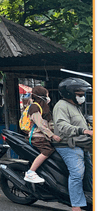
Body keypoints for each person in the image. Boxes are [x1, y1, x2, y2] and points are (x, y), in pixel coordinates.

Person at [53, 77, 93, 211]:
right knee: (77, 174)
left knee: (90, 174)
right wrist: (84, 130)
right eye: (80, 94)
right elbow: (62, 125)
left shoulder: (75, 106)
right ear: (70, 93)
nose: (82, 96)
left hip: (82, 145)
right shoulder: (61, 106)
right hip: (68, 145)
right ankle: (76, 206)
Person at [23, 86, 60, 183]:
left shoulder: (43, 107)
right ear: (41, 96)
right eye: (47, 95)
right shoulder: (34, 107)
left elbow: (49, 124)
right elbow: (41, 125)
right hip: (37, 137)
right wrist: (52, 135)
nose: (48, 97)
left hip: (43, 137)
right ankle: (31, 172)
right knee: (47, 151)